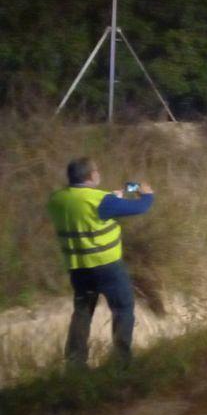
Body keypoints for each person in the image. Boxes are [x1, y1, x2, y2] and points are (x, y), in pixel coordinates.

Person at [46, 157, 155, 368]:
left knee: (82, 312)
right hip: (107, 267)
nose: (99, 173)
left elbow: (82, 209)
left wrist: (112, 198)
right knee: (123, 309)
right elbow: (141, 207)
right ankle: (121, 361)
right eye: (97, 171)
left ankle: (75, 362)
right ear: (90, 175)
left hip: (78, 267)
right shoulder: (100, 200)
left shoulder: (56, 199)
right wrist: (148, 194)